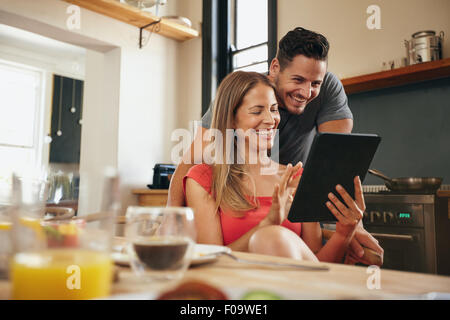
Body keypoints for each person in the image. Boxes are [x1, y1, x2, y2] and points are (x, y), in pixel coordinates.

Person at [169, 27, 383, 265]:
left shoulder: (300, 179)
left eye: (273, 110)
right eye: (298, 80)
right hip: (240, 194)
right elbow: (191, 160)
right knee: (271, 236)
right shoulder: (243, 92)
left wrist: (350, 229)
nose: (306, 91)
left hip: (286, 187)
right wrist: (169, 219)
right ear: (275, 69)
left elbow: (335, 162)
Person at [183, 71, 366, 263]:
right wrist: (268, 224)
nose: (271, 120)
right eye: (257, 111)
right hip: (237, 289)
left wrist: (343, 235)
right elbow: (212, 263)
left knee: (272, 236)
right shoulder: (203, 179)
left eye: (273, 109)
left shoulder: (296, 177)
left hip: (299, 288)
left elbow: (317, 264)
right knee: (271, 236)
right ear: (231, 119)